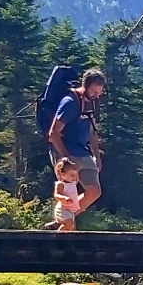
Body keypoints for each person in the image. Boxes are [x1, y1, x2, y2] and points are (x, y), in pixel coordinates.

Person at [45, 68, 106, 229]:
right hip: (64, 149)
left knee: (94, 191)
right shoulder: (70, 102)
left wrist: (97, 157)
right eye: (94, 91)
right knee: (68, 190)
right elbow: (53, 133)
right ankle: (65, 219)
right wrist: (66, 158)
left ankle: (64, 217)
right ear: (85, 85)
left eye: (99, 92)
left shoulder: (93, 102)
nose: (97, 95)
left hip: (82, 151)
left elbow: (92, 132)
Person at [53, 158, 83, 232]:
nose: (74, 177)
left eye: (75, 175)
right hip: (62, 209)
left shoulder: (73, 183)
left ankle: (62, 239)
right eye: (72, 175)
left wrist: (77, 167)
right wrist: (64, 198)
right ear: (63, 175)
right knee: (69, 224)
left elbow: (77, 177)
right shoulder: (61, 184)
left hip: (70, 210)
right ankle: (56, 236)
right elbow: (56, 195)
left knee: (71, 227)